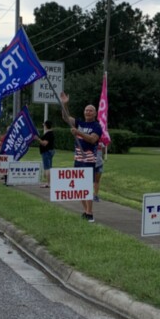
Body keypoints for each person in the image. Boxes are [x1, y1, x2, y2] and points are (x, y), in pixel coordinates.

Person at [59, 92, 101, 222]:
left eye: (91, 111)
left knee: (87, 187)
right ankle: (86, 211)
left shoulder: (97, 126)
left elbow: (93, 139)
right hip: (78, 159)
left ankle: (89, 213)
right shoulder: (79, 123)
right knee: (79, 187)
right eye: (86, 110)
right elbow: (66, 118)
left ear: (95, 114)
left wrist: (78, 133)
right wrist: (65, 104)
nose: (88, 112)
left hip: (89, 160)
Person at [38, 120, 55, 188]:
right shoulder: (49, 133)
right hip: (49, 151)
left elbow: (44, 143)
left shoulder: (49, 134)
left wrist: (38, 139)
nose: (43, 126)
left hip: (46, 151)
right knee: (49, 167)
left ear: (46, 126)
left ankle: (48, 183)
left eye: (44, 125)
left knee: (47, 168)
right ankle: (49, 182)